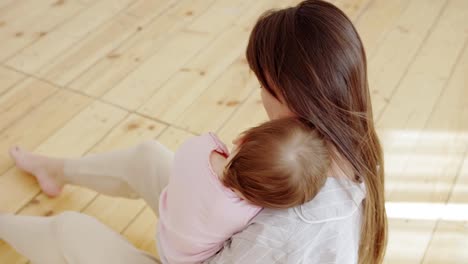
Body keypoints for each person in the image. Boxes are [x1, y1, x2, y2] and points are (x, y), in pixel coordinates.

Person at [0, 0, 387, 263]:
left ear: (286, 92)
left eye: (262, 86)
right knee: (146, 157)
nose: (261, 98)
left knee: (70, 231)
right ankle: (55, 170)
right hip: (215, 243)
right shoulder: (339, 143)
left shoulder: (291, 229)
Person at [158, 117, 329, 263]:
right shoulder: (245, 214)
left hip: (164, 229)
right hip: (183, 260)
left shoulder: (200, 145)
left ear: (242, 138)